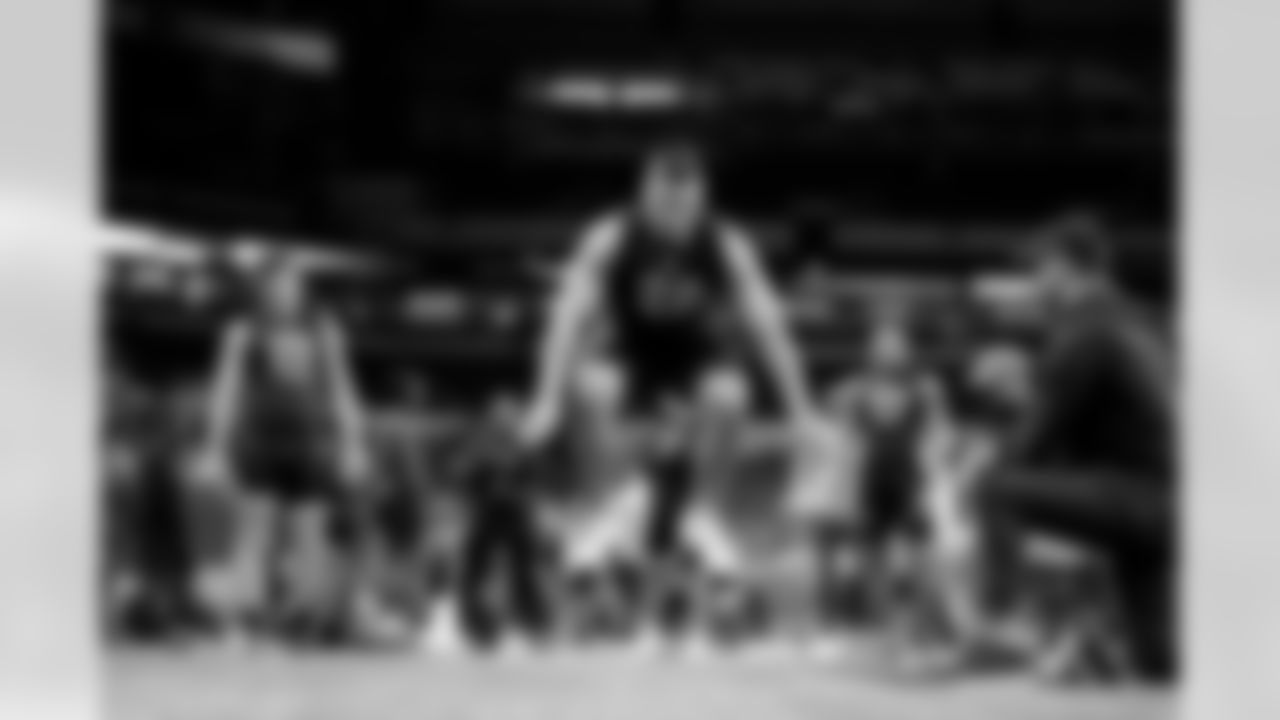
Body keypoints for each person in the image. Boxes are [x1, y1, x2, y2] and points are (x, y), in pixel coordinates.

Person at [519, 140, 817, 652]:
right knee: (588, 386)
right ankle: (613, 502)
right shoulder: (610, 238)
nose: (675, 214)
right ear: (644, 193)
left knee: (731, 393)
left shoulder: (726, 243)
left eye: (685, 201)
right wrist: (544, 398)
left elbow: (770, 327)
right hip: (629, 349)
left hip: (697, 353)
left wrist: (800, 410)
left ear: (703, 197)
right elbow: (564, 320)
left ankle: (703, 510)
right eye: (664, 200)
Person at [991, 213, 1177, 678]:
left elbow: (1029, 448)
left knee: (994, 487)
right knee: (1158, 660)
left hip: (1137, 495)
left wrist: (1014, 403)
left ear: (1064, 267)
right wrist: (1030, 394)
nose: (1035, 282)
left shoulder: (1083, 327)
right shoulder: (1140, 318)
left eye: (1039, 269)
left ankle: (1004, 623)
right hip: (1169, 500)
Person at [192, 249, 373, 645]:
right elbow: (225, 389)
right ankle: (247, 619)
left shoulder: (325, 330)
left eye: (294, 283)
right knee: (254, 532)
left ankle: (306, 618)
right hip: (260, 442)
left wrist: (354, 444)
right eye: (278, 283)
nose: (287, 291)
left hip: (311, 442)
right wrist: (214, 447)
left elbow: (344, 388)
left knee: (312, 534)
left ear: (302, 289)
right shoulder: (241, 331)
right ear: (263, 289)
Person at [825, 312, 946, 647]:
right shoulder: (851, 392)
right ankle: (879, 630)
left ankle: (924, 629)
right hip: (869, 480)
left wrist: (933, 485)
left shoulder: (927, 389)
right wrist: (845, 496)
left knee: (918, 558)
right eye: (881, 343)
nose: (889, 350)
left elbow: (936, 438)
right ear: (869, 349)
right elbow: (845, 446)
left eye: (896, 343)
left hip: (910, 478)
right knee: (868, 558)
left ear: (908, 349)